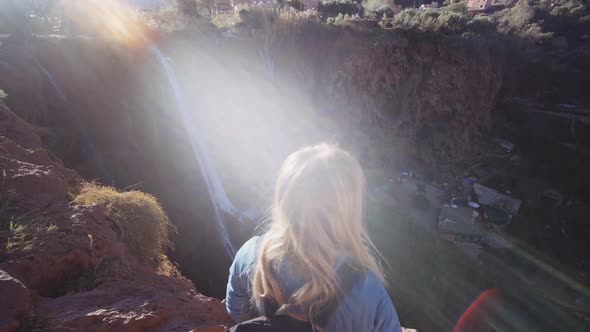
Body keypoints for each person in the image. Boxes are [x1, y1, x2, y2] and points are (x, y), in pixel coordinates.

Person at [225, 143, 402, 331]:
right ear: (348, 209)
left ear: (284, 199)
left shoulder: (251, 254)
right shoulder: (367, 288)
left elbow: (236, 311)